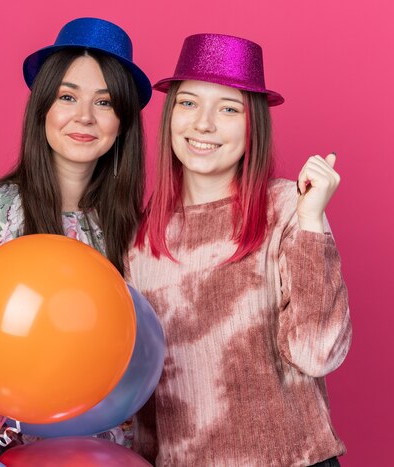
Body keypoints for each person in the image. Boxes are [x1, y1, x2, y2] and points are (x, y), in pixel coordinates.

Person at [126, 34, 351, 466]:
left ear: (254, 125)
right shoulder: (139, 239)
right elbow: (144, 398)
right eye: (189, 103)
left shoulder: (290, 206)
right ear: (171, 115)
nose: (204, 124)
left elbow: (317, 353)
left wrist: (311, 223)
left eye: (228, 109)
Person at [0, 17, 152, 449]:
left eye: (105, 102)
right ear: (43, 107)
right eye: (67, 97)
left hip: (107, 455)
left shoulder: (139, 234)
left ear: (122, 122)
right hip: (9, 452)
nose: (84, 117)